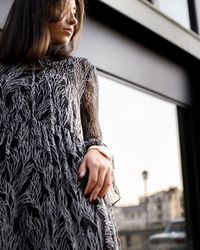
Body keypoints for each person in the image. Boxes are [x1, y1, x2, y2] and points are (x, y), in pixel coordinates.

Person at [0, 0, 121, 249]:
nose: (74, 21)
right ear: (37, 9)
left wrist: (99, 152)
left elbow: (93, 137)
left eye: (76, 14)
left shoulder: (79, 69)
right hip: (11, 206)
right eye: (66, 11)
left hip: (74, 208)